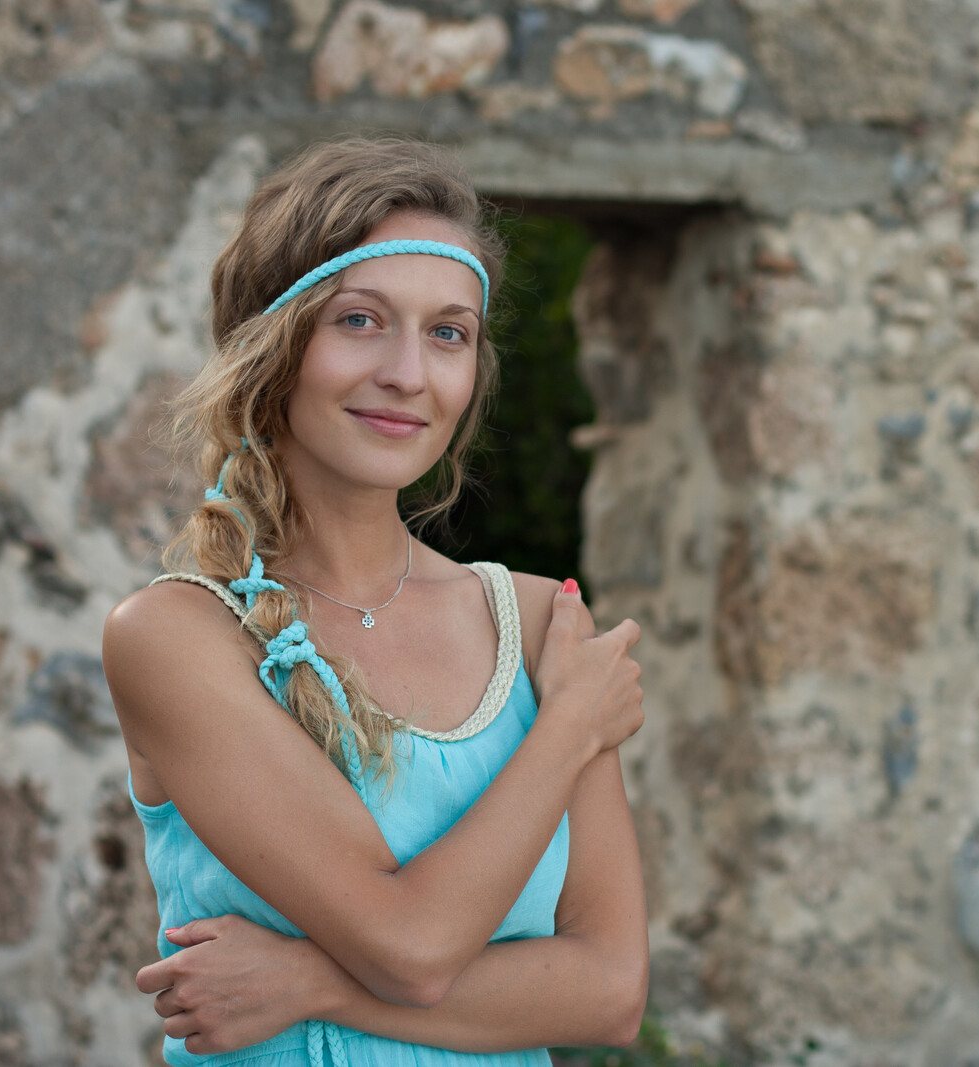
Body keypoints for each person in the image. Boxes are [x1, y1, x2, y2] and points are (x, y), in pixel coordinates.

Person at [102, 137, 649, 1067]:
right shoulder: (179, 637)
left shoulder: (537, 622)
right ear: (272, 346)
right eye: (361, 320)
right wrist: (567, 729)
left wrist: (309, 982)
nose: (408, 373)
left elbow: (607, 991)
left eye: (448, 333)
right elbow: (410, 947)